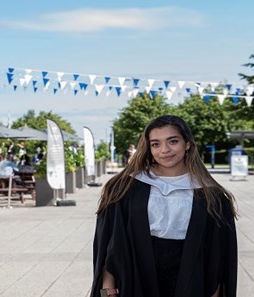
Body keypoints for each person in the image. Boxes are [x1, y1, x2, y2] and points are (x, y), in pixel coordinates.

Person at [91, 115, 238, 297]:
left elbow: (217, 255)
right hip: (136, 279)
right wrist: (107, 291)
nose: (164, 150)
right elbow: (111, 245)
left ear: (188, 144)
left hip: (191, 280)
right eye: (156, 144)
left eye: (173, 141)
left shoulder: (211, 195)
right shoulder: (124, 188)